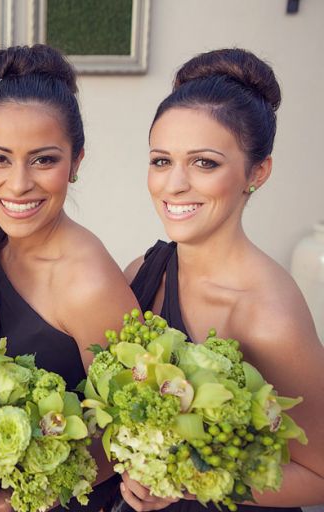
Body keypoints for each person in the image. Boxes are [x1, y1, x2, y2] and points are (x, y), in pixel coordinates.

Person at [120, 48, 324, 511]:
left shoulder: (270, 315)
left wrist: (186, 480)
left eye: (204, 163)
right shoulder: (143, 271)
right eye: (161, 161)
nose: (174, 185)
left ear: (258, 172)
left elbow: (320, 475)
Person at [0, 44, 139, 512]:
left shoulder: (89, 283)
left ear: (76, 163)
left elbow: (130, 433)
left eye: (43, 160)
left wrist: (26, 497)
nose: (19, 184)